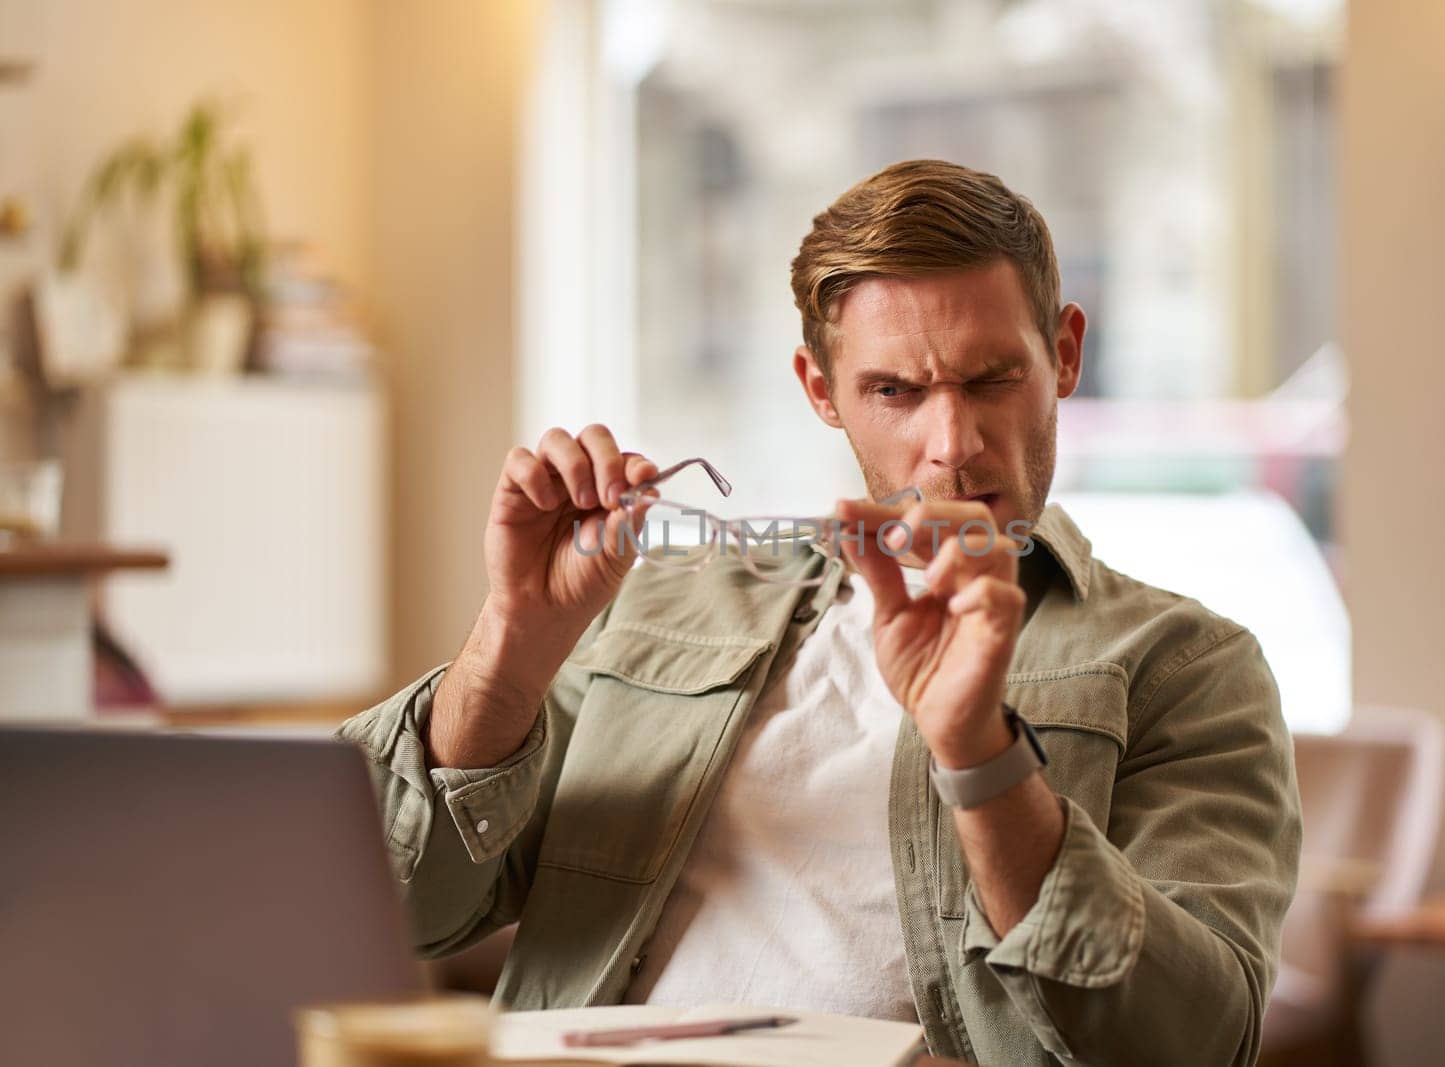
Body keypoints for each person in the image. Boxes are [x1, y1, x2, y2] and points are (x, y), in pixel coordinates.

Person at [338, 159, 1300, 1066]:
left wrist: (980, 754)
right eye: (895, 390)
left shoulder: (1185, 664)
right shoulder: (662, 603)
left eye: (992, 378)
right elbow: (385, 909)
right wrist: (512, 641)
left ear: (1064, 354)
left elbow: (1193, 1040)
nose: (952, 446)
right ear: (820, 391)